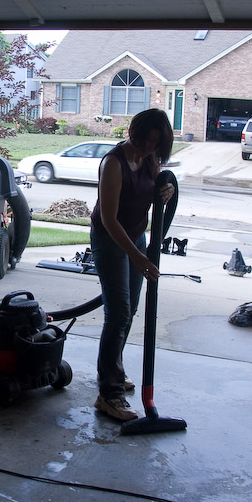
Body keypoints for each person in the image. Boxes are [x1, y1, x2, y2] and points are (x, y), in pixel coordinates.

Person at [90, 108, 175, 421]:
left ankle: (114, 368)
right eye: (146, 140)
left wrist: (165, 192)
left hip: (136, 238)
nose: (149, 148)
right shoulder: (113, 163)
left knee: (130, 310)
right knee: (118, 313)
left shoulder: (151, 161)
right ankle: (108, 394)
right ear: (135, 134)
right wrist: (138, 257)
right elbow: (109, 220)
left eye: (156, 143)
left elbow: (151, 196)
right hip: (110, 239)